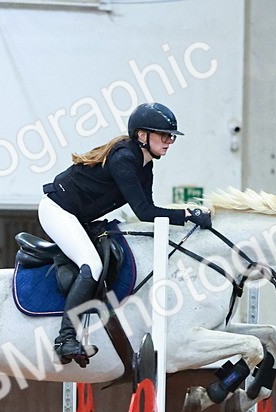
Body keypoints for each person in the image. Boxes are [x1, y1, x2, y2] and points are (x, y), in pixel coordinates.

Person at [40, 101, 212, 365]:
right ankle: (65, 339)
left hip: (80, 217)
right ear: (142, 136)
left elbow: (150, 209)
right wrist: (187, 214)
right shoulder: (124, 159)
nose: (169, 142)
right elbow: (144, 212)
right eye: (164, 135)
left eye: (171, 137)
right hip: (57, 211)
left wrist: (185, 216)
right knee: (92, 265)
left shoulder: (145, 166)